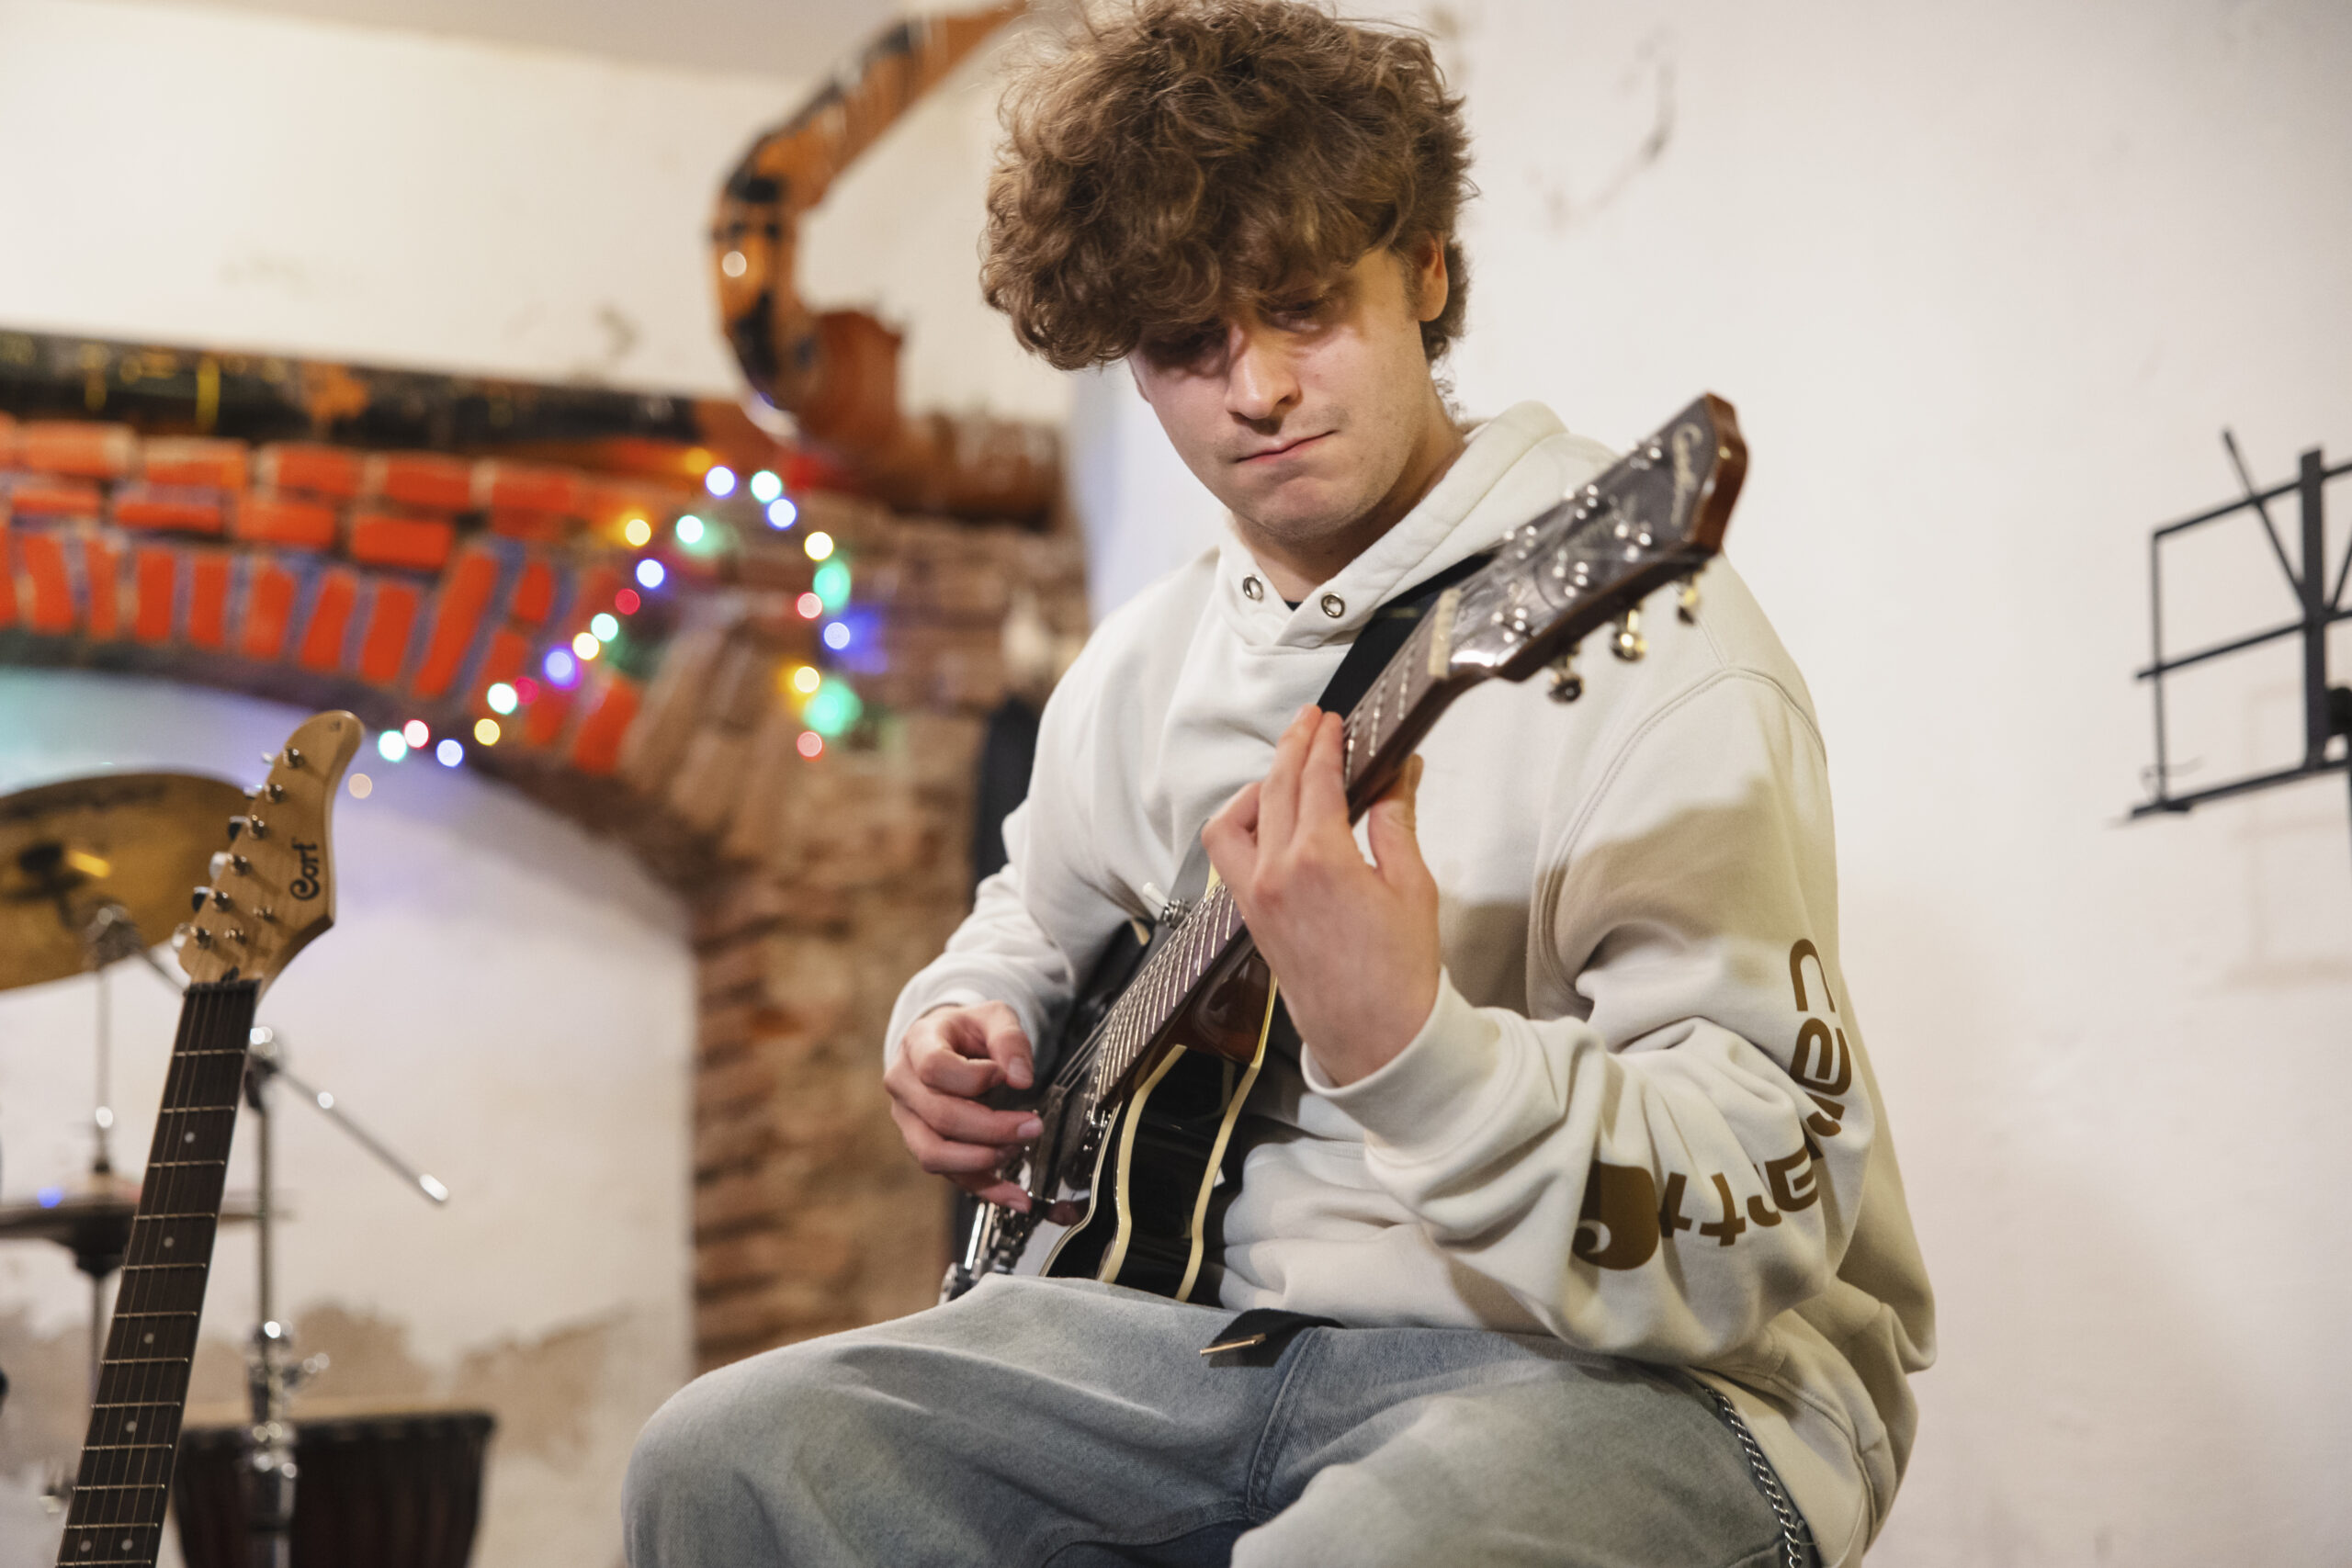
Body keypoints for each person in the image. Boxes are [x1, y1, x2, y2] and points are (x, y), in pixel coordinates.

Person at [625, 3, 1933, 1564]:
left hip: (1617, 1372)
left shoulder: (1653, 647)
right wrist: (959, 1028)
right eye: (1187, 349)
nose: (1254, 392)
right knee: (729, 1461)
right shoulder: (1140, 661)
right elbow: (1029, 925)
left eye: (1304, 311)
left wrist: (1407, 1046)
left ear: (1429, 270)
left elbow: (1759, 1220)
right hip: (1181, 1343)